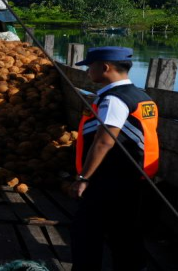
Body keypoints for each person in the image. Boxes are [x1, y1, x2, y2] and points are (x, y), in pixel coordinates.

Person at [71, 46, 159, 271]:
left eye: (90, 66)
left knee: (87, 235)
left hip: (109, 180)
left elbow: (104, 142)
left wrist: (83, 178)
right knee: (125, 234)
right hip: (132, 178)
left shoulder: (114, 100)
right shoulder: (141, 96)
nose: (88, 71)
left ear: (105, 67)